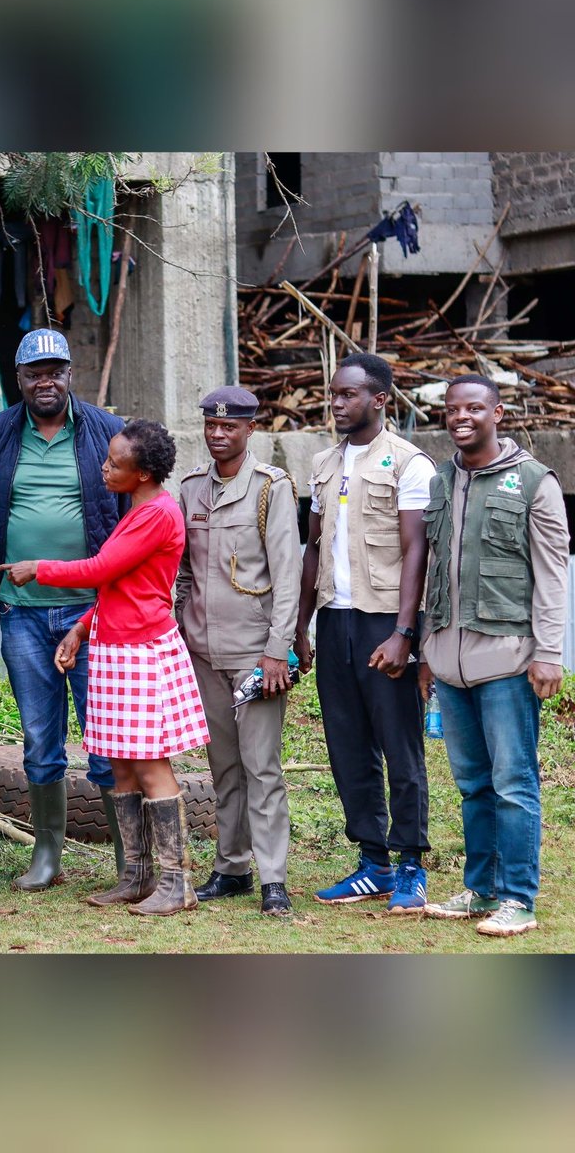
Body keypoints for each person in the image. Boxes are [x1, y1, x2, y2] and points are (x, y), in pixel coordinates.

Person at [0, 419, 210, 916]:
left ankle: (177, 883)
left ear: (142, 473)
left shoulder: (157, 514)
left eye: (115, 464)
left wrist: (39, 568)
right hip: (115, 648)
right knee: (120, 764)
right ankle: (136, 876)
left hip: (141, 651)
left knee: (150, 765)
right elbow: (120, 587)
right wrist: (81, 628)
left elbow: (100, 570)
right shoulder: (137, 509)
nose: (104, 468)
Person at [0, 327, 127, 892]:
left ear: (70, 373)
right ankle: (47, 855)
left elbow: (129, 521)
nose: (46, 382)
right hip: (23, 615)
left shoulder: (106, 431)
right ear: (19, 379)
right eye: (34, 374)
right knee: (39, 738)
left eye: (55, 371)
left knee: (107, 739)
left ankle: (129, 858)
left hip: (93, 613)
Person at [420, 375, 569, 937]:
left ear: (498, 413)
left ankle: (518, 898)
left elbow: (553, 575)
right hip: (450, 662)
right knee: (473, 785)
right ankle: (480, 889)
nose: (461, 417)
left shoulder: (534, 481)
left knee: (514, 784)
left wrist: (549, 651)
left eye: (474, 408)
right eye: (453, 409)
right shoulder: (442, 479)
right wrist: (427, 652)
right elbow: (435, 570)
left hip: (508, 660)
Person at [295, 352, 434, 913]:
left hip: (385, 621)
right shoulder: (324, 463)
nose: (336, 403)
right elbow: (312, 547)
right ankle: (373, 863)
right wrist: (301, 627)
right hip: (336, 620)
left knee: (400, 746)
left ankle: (411, 865)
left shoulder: (408, 463)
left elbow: (416, 550)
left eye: (348, 394)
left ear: (379, 399)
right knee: (347, 745)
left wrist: (405, 632)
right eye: (333, 393)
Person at [175, 387, 302, 917]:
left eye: (229, 426)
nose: (218, 434)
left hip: (255, 654)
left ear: (251, 429)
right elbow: (184, 572)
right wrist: (180, 630)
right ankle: (232, 868)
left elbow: (288, 577)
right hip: (203, 651)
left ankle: (273, 877)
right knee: (223, 766)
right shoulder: (191, 489)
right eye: (211, 425)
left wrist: (277, 651)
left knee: (261, 768)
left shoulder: (271, 488)